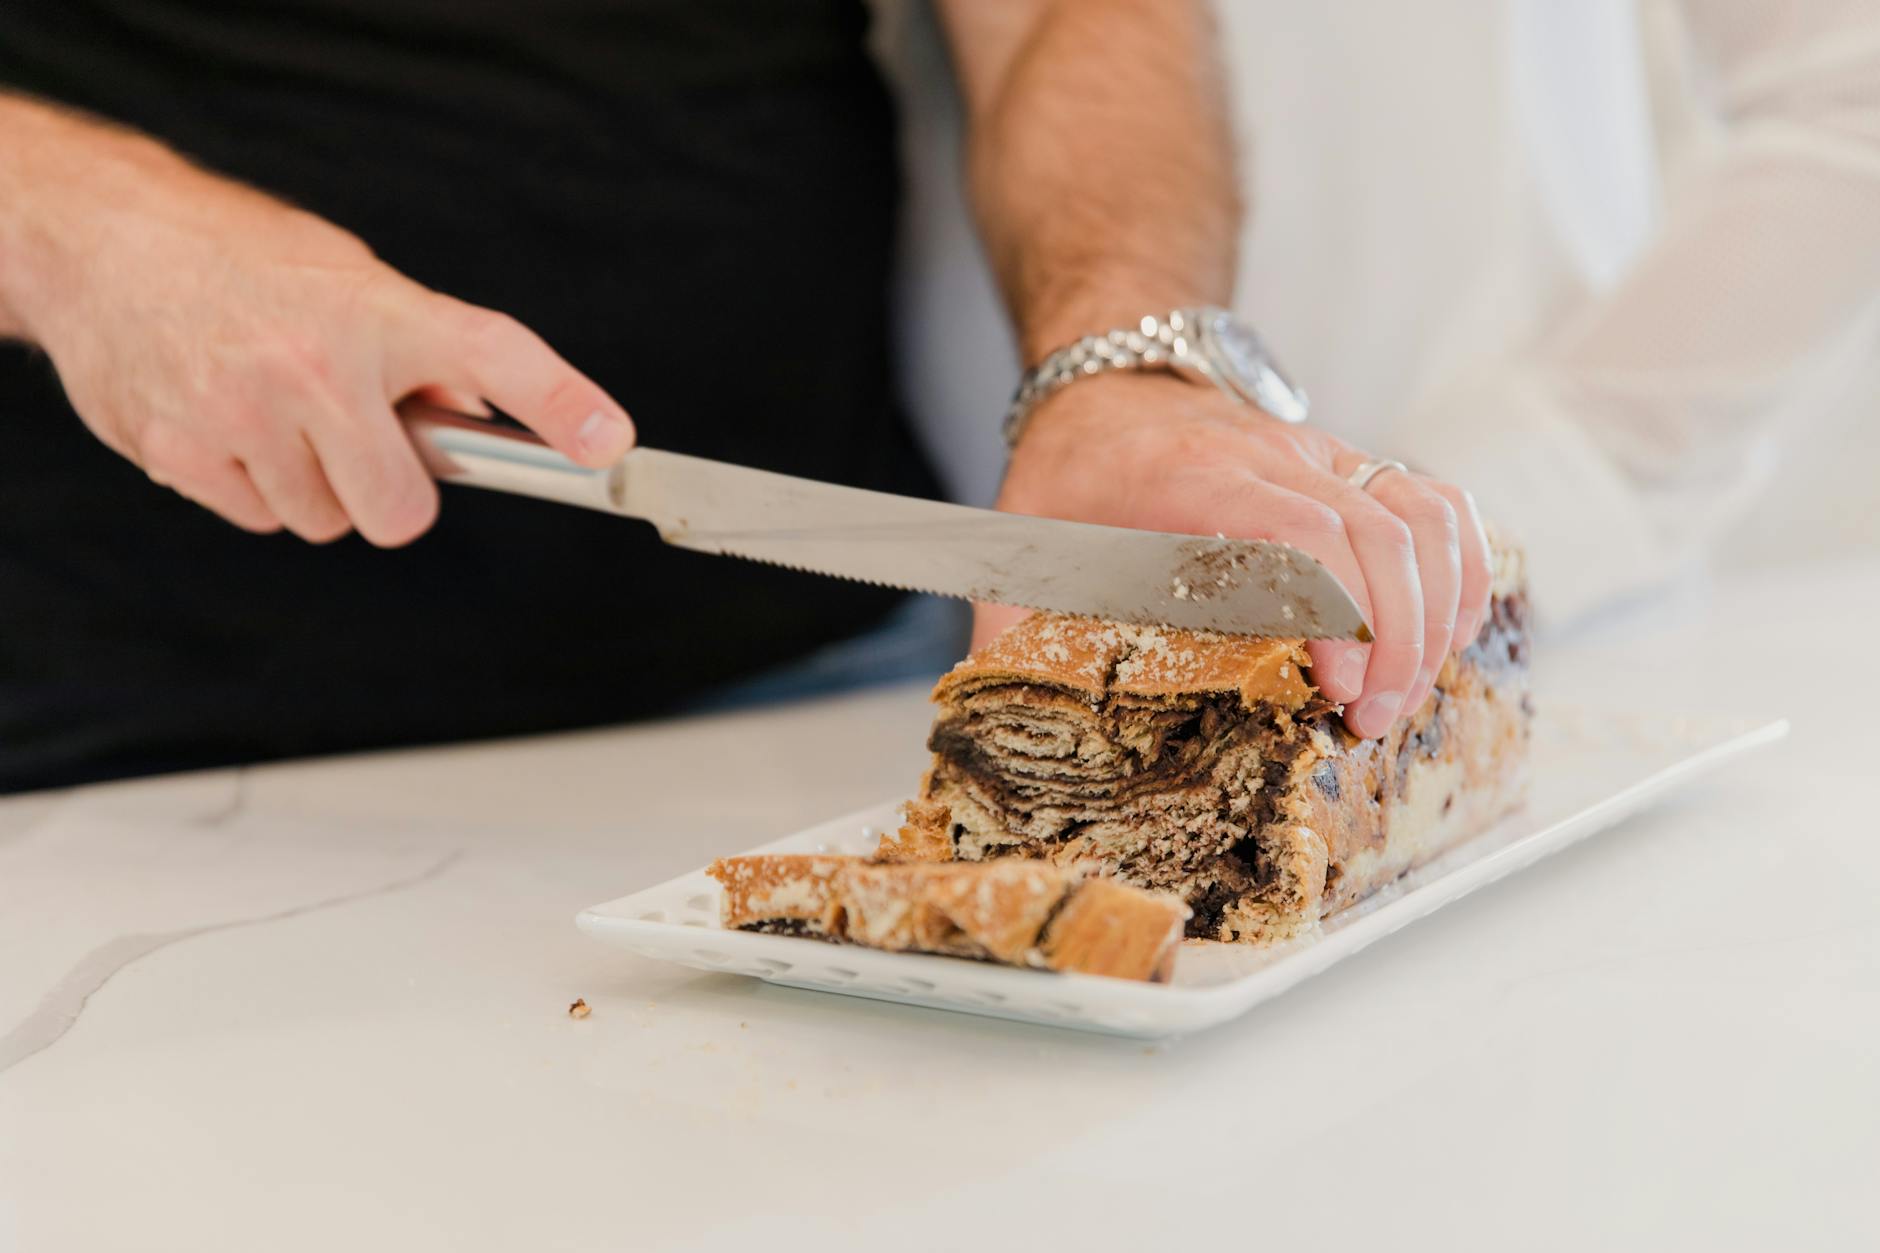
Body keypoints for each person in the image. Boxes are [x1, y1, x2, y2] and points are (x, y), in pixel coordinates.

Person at [0, 0, 1490, 794]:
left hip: (818, 696)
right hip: (103, 761)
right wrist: (82, 229)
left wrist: (1123, 367)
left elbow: (1060, 16)